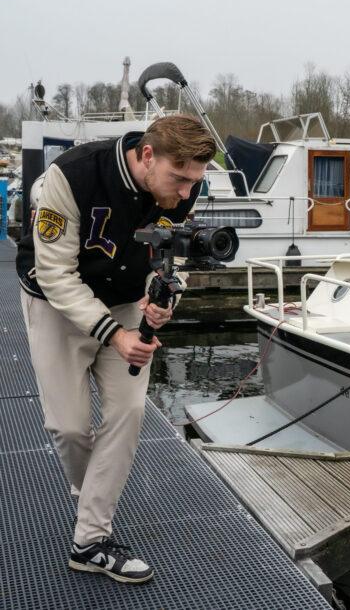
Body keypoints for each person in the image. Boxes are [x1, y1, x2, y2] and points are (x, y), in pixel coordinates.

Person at [16, 115, 216, 584]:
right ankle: (91, 494)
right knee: (67, 427)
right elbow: (56, 274)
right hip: (57, 302)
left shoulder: (185, 188)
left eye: (194, 182)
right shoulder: (72, 176)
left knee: (127, 413)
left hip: (126, 302)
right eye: (179, 179)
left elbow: (166, 259)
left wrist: (160, 298)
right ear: (147, 155)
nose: (186, 193)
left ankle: (90, 540)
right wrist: (115, 335)